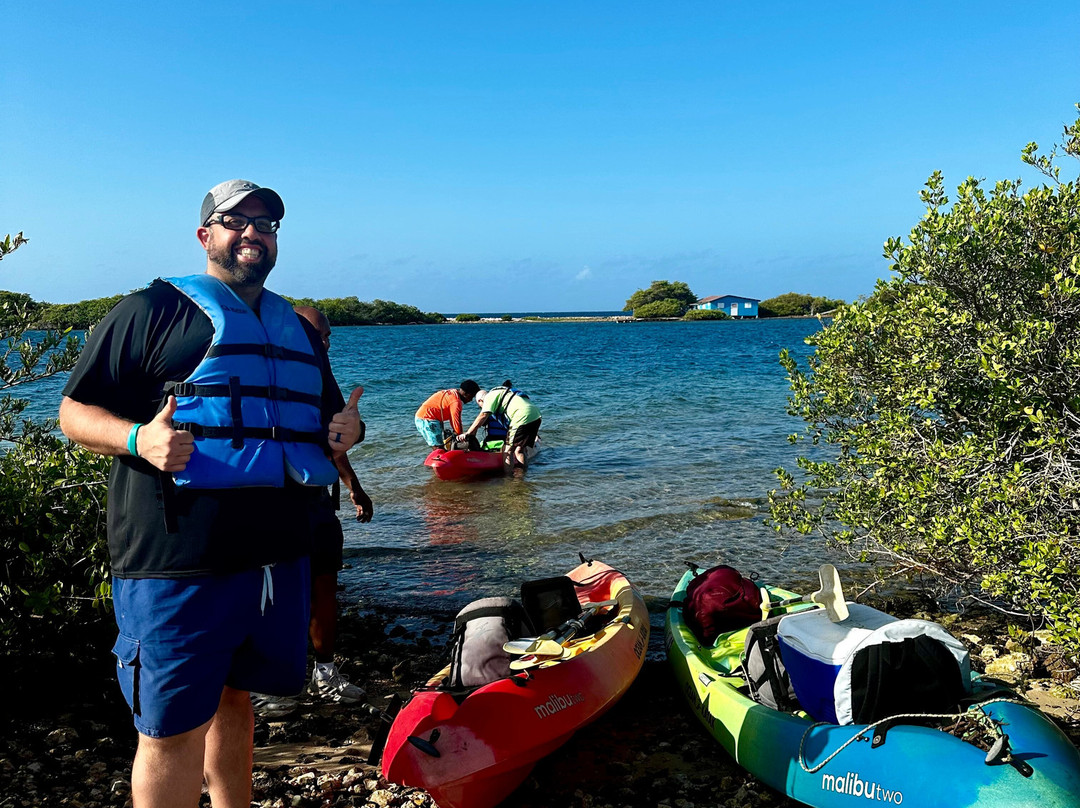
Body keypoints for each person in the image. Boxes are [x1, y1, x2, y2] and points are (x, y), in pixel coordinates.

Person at [58, 179, 364, 808]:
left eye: (268, 224)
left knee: (236, 701)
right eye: (237, 220)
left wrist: (348, 432)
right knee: (169, 729)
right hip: (176, 557)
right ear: (206, 235)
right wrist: (139, 438)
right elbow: (72, 412)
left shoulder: (297, 330)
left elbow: (327, 423)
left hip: (274, 557)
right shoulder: (153, 311)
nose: (254, 232)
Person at [250, 306, 373, 718]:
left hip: (317, 504)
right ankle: (273, 685)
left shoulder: (320, 374)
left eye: (326, 337)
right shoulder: (259, 369)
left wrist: (355, 487)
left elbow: (334, 440)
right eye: (316, 336)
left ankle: (324, 674)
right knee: (273, 593)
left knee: (323, 588)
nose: (324, 344)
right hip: (268, 506)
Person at [459, 382, 541, 470]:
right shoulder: (502, 393)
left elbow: (482, 416)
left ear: (480, 401)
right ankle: (523, 476)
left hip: (521, 416)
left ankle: (509, 480)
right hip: (536, 415)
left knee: (508, 451)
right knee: (519, 449)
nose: (481, 408)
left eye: (480, 406)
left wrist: (467, 433)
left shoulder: (489, 398)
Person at [414, 380, 480, 447]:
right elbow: (456, 421)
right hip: (427, 420)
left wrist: (457, 433)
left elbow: (454, 420)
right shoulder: (456, 402)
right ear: (466, 394)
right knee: (437, 446)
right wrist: (460, 437)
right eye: (472, 396)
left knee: (440, 444)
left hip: (424, 418)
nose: (471, 400)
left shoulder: (453, 393)